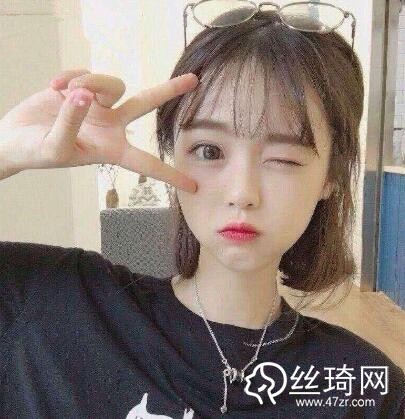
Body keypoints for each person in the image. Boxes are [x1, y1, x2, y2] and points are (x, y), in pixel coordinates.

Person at [0, 7, 404, 419]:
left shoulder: (366, 390)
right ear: (172, 152)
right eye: (209, 151)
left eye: (283, 159)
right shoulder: (52, 306)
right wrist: (5, 151)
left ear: (331, 176)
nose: (242, 193)